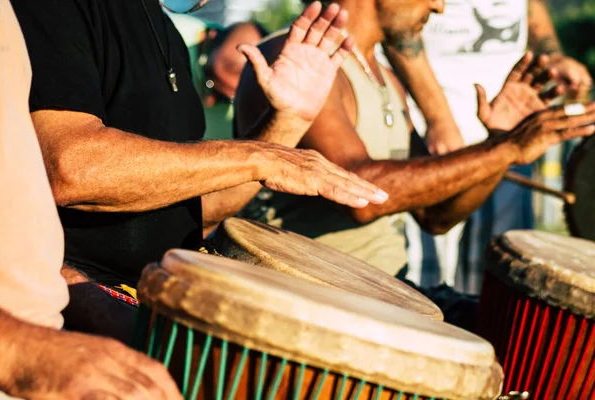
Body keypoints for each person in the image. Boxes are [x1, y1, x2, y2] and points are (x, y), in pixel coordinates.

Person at [11, 0, 387, 342]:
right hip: (71, 306)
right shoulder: (54, 9)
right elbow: (71, 169)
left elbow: (193, 203)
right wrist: (260, 156)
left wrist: (288, 120)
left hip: (158, 293)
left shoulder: (166, 33)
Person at [234, 0, 595, 280]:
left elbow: (436, 216)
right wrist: (504, 148)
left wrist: (499, 146)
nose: (439, 7)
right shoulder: (296, 60)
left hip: (391, 290)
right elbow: (360, 195)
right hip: (315, 295)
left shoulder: (388, 79)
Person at [0, 0, 181, 397]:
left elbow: (17, 214)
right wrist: (16, 348)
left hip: (53, 341)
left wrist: (285, 125)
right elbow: (72, 168)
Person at [383, 0, 593, 292]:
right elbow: (396, 22)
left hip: (510, 129)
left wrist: (552, 55)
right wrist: (439, 120)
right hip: (429, 135)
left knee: (496, 281)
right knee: (420, 286)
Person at [164, 9, 267, 140]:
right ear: (210, 35)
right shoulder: (168, 34)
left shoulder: (243, 118)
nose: (209, 101)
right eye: (207, 83)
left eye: (222, 98)